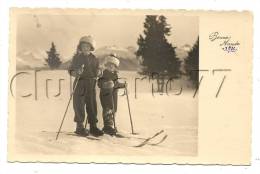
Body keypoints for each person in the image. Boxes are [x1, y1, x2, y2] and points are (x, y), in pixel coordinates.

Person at [68, 35, 103, 137]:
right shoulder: (77, 58)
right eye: (83, 46)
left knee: (92, 105)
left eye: (87, 46)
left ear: (91, 47)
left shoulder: (94, 59)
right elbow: (70, 70)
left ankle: (93, 126)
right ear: (80, 47)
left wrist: (99, 72)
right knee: (79, 104)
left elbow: (98, 69)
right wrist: (76, 72)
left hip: (91, 84)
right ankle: (80, 127)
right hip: (80, 83)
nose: (85, 48)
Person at [98, 54, 126, 136]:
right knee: (108, 109)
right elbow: (99, 83)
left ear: (115, 67)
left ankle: (111, 125)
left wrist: (123, 85)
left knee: (113, 109)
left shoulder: (114, 75)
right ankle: (108, 126)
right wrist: (106, 84)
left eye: (112, 66)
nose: (111, 67)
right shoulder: (104, 74)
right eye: (109, 65)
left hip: (113, 95)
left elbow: (116, 84)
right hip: (105, 95)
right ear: (106, 65)